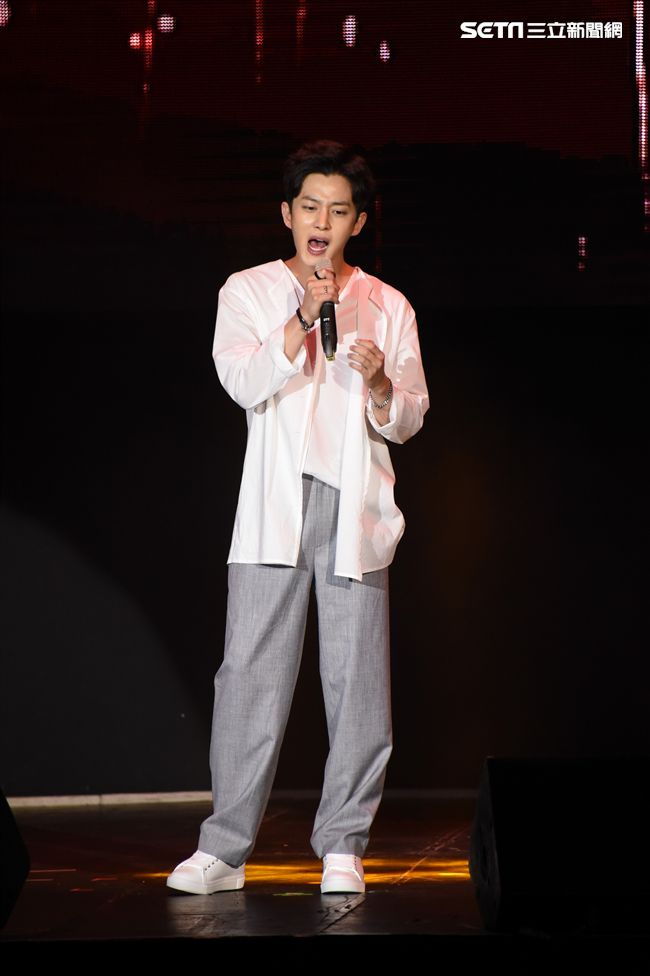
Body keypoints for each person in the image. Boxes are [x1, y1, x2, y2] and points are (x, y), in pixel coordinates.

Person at [166, 140, 429, 896]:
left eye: (337, 211)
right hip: (273, 506)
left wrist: (381, 387)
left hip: (355, 506)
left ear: (358, 222)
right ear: (286, 214)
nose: (321, 222)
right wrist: (303, 318)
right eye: (309, 207)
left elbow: (410, 416)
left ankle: (343, 844)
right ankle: (224, 850)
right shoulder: (248, 290)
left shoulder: (388, 305)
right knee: (249, 675)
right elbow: (241, 381)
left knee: (358, 683)